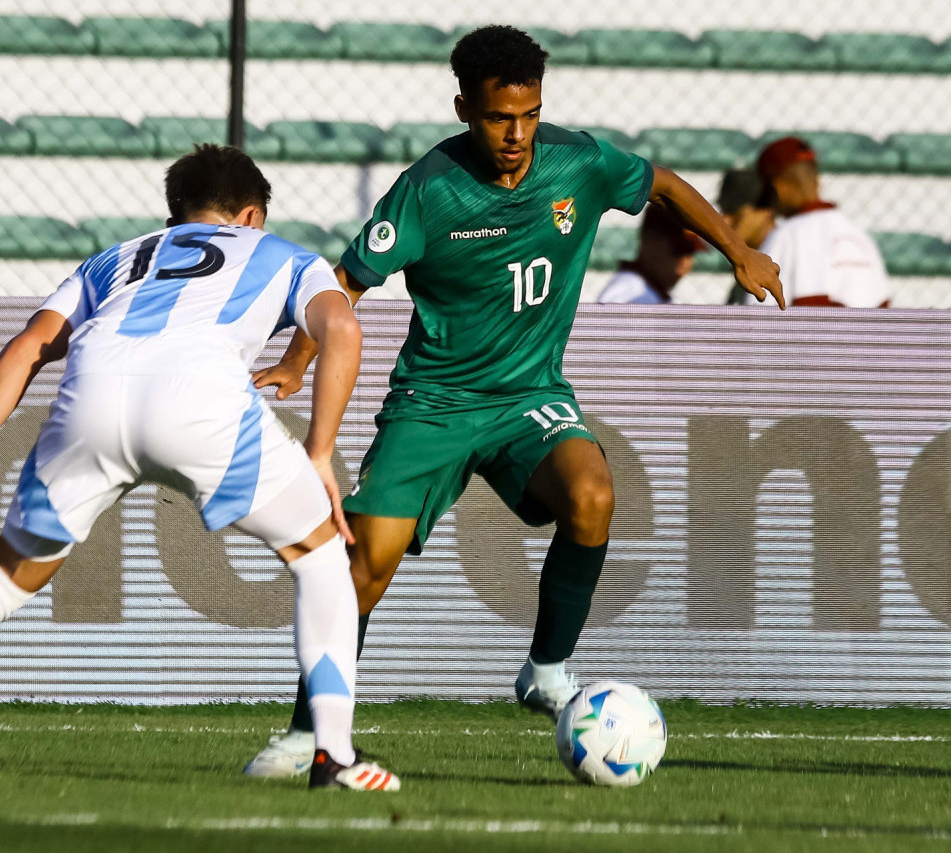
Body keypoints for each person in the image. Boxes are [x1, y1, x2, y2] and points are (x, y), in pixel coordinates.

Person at [243, 24, 784, 778]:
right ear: (465, 106)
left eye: (530, 114)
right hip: (434, 401)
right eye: (501, 117)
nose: (518, 133)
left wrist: (739, 249)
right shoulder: (429, 187)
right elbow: (348, 283)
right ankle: (310, 733)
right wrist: (299, 359)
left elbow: (659, 182)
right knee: (365, 562)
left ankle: (547, 670)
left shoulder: (578, 162)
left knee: (593, 493)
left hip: (530, 394)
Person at [0, 145, 399, 792]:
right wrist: (319, 450)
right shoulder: (283, 254)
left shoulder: (116, 258)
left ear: (175, 214)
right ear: (250, 214)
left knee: (1, 581)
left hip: (92, 395)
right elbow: (342, 329)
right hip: (200, 400)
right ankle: (333, 753)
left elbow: (29, 345)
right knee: (321, 555)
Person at [749, 137, 891, 308]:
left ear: (778, 187)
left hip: (808, 335)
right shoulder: (860, 236)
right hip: (869, 334)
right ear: (817, 180)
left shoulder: (784, 236)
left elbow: (759, 317)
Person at [596, 204, 705, 304]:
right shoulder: (629, 292)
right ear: (650, 242)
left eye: (691, 253)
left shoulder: (649, 290)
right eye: (680, 249)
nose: (685, 263)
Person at [717, 168, 776, 305]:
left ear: (765, 211)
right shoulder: (750, 267)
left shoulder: (786, 261)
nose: (724, 220)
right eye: (723, 210)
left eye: (734, 211)